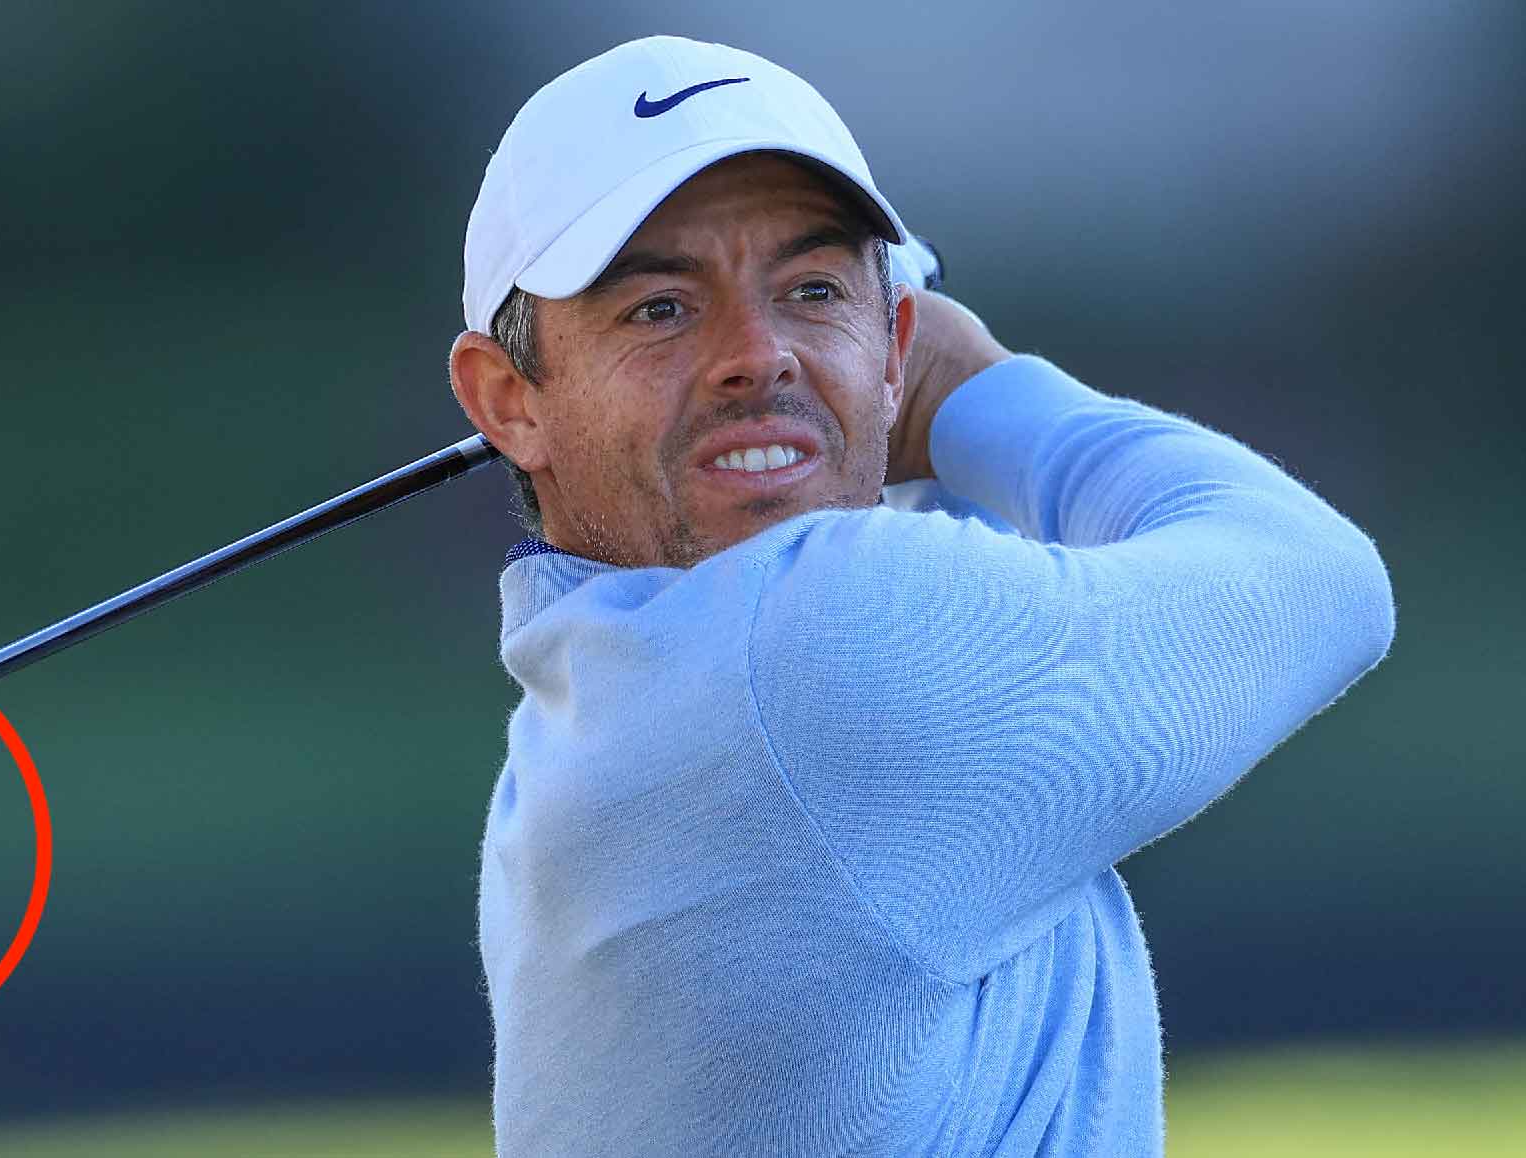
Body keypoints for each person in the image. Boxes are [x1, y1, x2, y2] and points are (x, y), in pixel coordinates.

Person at [447, 35, 1394, 1157]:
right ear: (508, 401)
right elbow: (1318, 578)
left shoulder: (587, 714)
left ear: (885, 341)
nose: (758, 356)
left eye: (812, 290)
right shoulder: (816, 651)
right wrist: (973, 388)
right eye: (660, 308)